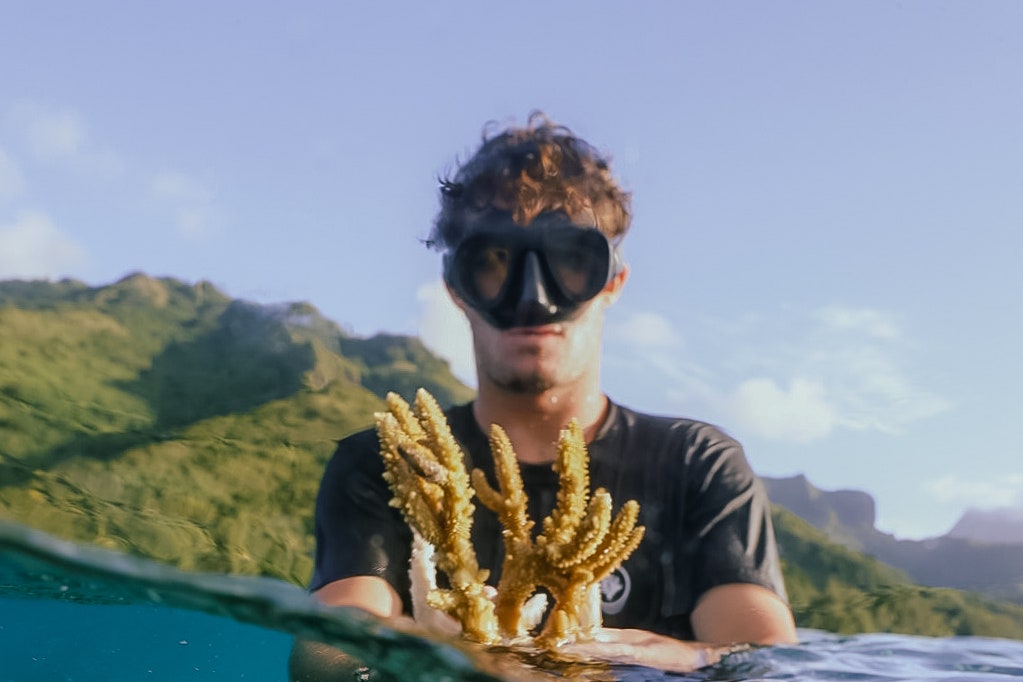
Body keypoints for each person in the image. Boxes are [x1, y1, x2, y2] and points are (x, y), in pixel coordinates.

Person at [290, 114, 797, 679]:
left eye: (569, 264)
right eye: (494, 264)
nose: (533, 301)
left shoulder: (697, 463)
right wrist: (447, 661)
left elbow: (767, 658)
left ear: (611, 284)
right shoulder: (391, 459)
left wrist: (685, 659)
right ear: (457, 288)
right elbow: (330, 650)